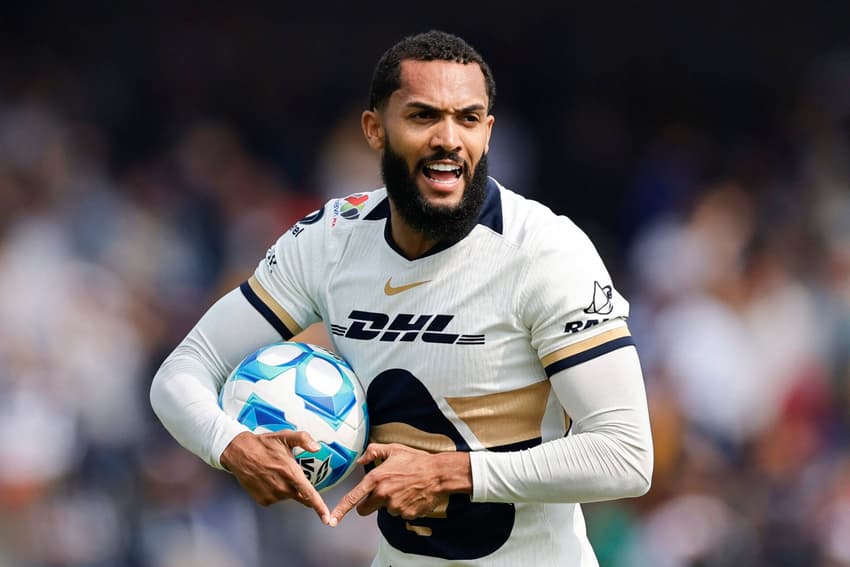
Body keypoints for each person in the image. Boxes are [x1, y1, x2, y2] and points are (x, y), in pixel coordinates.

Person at [150, 29, 653, 566]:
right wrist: (231, 445)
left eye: (467, 118)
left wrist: (450, 472)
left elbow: (625, 453)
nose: (447, 138)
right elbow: (182, 373)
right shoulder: (331, 240)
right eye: (422, 116)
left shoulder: (545, 252)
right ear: (375, 129)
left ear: (488, 132)